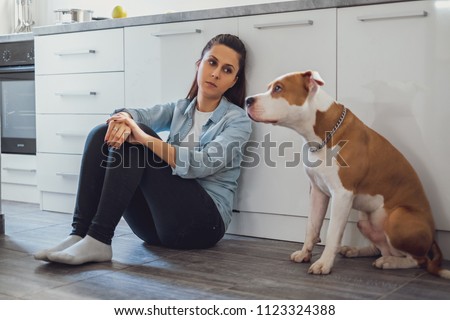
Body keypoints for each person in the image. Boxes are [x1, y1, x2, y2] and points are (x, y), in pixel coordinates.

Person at [33, 34, 252, 265]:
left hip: (203, 225)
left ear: (234, 81)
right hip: (154, 228)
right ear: (199, 65)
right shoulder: (179, 108)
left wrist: (144, 137)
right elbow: (140, 114)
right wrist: (124, 118)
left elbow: (203, 163)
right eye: (212, 62)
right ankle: (79, 233)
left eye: (227, 70)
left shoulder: (237, 120)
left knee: (138, 139)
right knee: (102, 133)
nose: (216, 73)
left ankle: (99, 238)